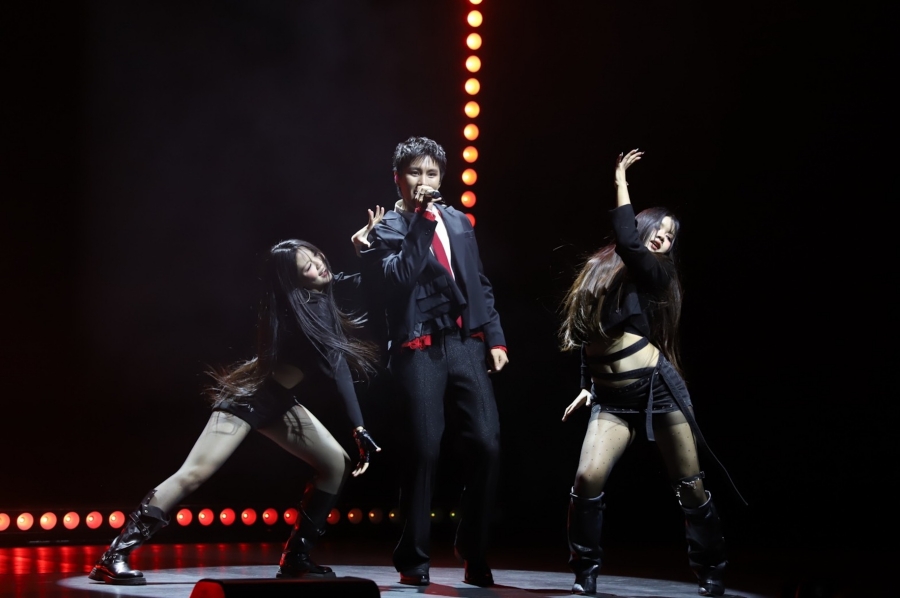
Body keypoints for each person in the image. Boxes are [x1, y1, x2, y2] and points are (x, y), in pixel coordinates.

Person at [88, 239, 382, 586]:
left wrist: (366, 251)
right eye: (308, 266)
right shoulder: (307, 306)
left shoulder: (319, 295)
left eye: (316, 256)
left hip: (279, 401)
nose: (319, 264)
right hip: (249, 398)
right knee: (194, 473)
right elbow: (338, 367)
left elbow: (361, 281)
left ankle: (297, 558)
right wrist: (358, 427)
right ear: (294, 279)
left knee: (335, 464)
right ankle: (114, 557)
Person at [559, 149, 737, 597]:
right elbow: (588, 330)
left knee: (690, 483)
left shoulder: (654, 273)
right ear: (645, 226)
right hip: (611, 396)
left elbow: (627, 241)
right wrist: (586, 385)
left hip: (658, 389)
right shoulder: (601, 270)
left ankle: (712, 569)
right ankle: (585, 573)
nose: (663, 238)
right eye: (659, 228)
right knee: (586, 480)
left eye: (671, 236)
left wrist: (620, 180)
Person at [359, 136, 508, 587]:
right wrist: (422, 218)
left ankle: (474, 550)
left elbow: (478, 281)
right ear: (398, 178)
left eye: (431, 173)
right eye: (414, 173)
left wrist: (495, 338)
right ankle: (414, 557)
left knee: (488, 442)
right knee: (424, 449)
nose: (423, 181)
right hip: (418, 345)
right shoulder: (385, 228)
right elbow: (401, 276)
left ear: (441, 177)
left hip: (465, 342)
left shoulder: (458, 220)